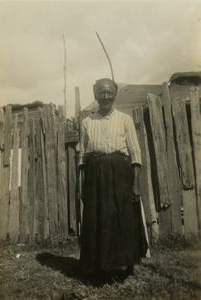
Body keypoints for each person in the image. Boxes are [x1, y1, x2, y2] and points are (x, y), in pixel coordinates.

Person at [79, 78, 148, 278]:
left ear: (115, 94)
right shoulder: (86, 123)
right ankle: (98, 265)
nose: (106, 96)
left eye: (109, 92)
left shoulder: (125, 119)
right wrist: (82, 183)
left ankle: (127, 264)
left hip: (121, 173)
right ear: (95, 94)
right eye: (102, 92)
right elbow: (82, 154)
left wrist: (135, 184)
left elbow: (135, 153)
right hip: (95, 173)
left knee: (123, 217)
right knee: (97, 218)